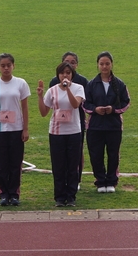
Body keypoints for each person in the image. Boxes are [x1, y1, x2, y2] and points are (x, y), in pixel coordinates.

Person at [0, 53, 30, 206]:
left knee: (15, 163)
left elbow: (25, 108)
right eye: (3, 66)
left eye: (8, 65)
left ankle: (14, 194)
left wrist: (25, 129)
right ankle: (3, 194)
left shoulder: (21, 83)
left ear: (13, 66)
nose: (6, 68)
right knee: (1, 164)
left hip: (16, 129)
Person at [38, 62, 85, 207]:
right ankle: (59, 197)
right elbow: (44, 112)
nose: (65, 75)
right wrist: (40, 96)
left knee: (72, 165)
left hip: (73, 132)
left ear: (72, 75)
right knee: (58, 165)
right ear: (58, 75)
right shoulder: (52, 90)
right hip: (56, 132)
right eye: (62, 73)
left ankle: (71, 197)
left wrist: (67, 89)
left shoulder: (78, 88)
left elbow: (75, 105)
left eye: (68, 73)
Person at [83, 51, 130, 193]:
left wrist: (113, 109)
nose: (104, 66)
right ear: (97, 65)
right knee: (96, 155)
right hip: (95, 127)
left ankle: (111, 181)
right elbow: (85, 103)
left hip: (113, 126)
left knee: (113, 154)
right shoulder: (91, 84)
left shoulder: (119, 84)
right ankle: (100, 181)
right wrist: (95, 109)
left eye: (107, 64)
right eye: (102, 64)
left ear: (111, 65)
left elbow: (126, 102)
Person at [49, 52, 89, 188]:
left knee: (76, 152)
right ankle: (62, 182)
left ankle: (76, 180)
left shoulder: (82, 82)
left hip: (76, 121)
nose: (70, 64)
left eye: (73, 62)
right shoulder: (54, 82)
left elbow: (83, 103)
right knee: (60, 154)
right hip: (59, 123)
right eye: (67, 61)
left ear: (76, 65)